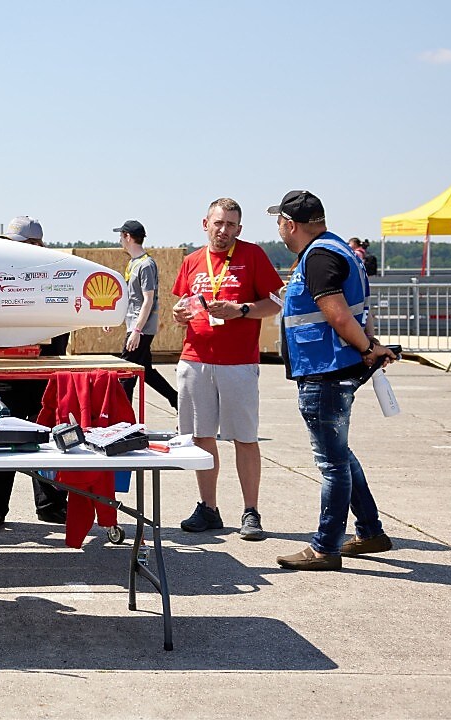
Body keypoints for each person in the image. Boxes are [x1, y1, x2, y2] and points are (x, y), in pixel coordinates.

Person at [270, 191, 395, 571]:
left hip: (324, 371)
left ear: (290, 224)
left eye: (279, 221)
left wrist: (369, 348)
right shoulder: (338, 250)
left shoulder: (319, 257)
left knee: (332, 464)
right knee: (340, 454)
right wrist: (368, 344)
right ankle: (371, 531)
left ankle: (326, 547)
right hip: (333, 368)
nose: (278, 229)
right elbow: (356, 313)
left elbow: (339, 316)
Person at [171, 198, 284, 541]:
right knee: (202, 436)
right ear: (205, 224)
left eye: (231, 224)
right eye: (218, 223)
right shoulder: (192, 260)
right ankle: (208, 508)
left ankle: (251, 511)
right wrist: (178, 315)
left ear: (240, 228)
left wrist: (243, 309)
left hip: (238, 362)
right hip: (195, 358)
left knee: (244, 438)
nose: (224, 230)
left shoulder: (252, 256)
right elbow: (182, 305)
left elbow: (277, 302)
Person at [0, 216, 70, 531]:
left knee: (49, 443)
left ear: (34, 247)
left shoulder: (57, 276)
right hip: (4, 376)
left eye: (15, 245)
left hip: (43, 374)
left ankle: (51, 505)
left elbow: (63, 325)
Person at [113, 220, 177, 409]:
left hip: (140, 329)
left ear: (127, 237)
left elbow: (148, 300)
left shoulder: (146, 265)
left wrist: (137, 330)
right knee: (145, 371)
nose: (120, 241)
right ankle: (177, 400)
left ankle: (125, 422)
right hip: (135, 326)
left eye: (121, 236)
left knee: (126, 374)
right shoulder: (133, 263)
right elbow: (131, 298)